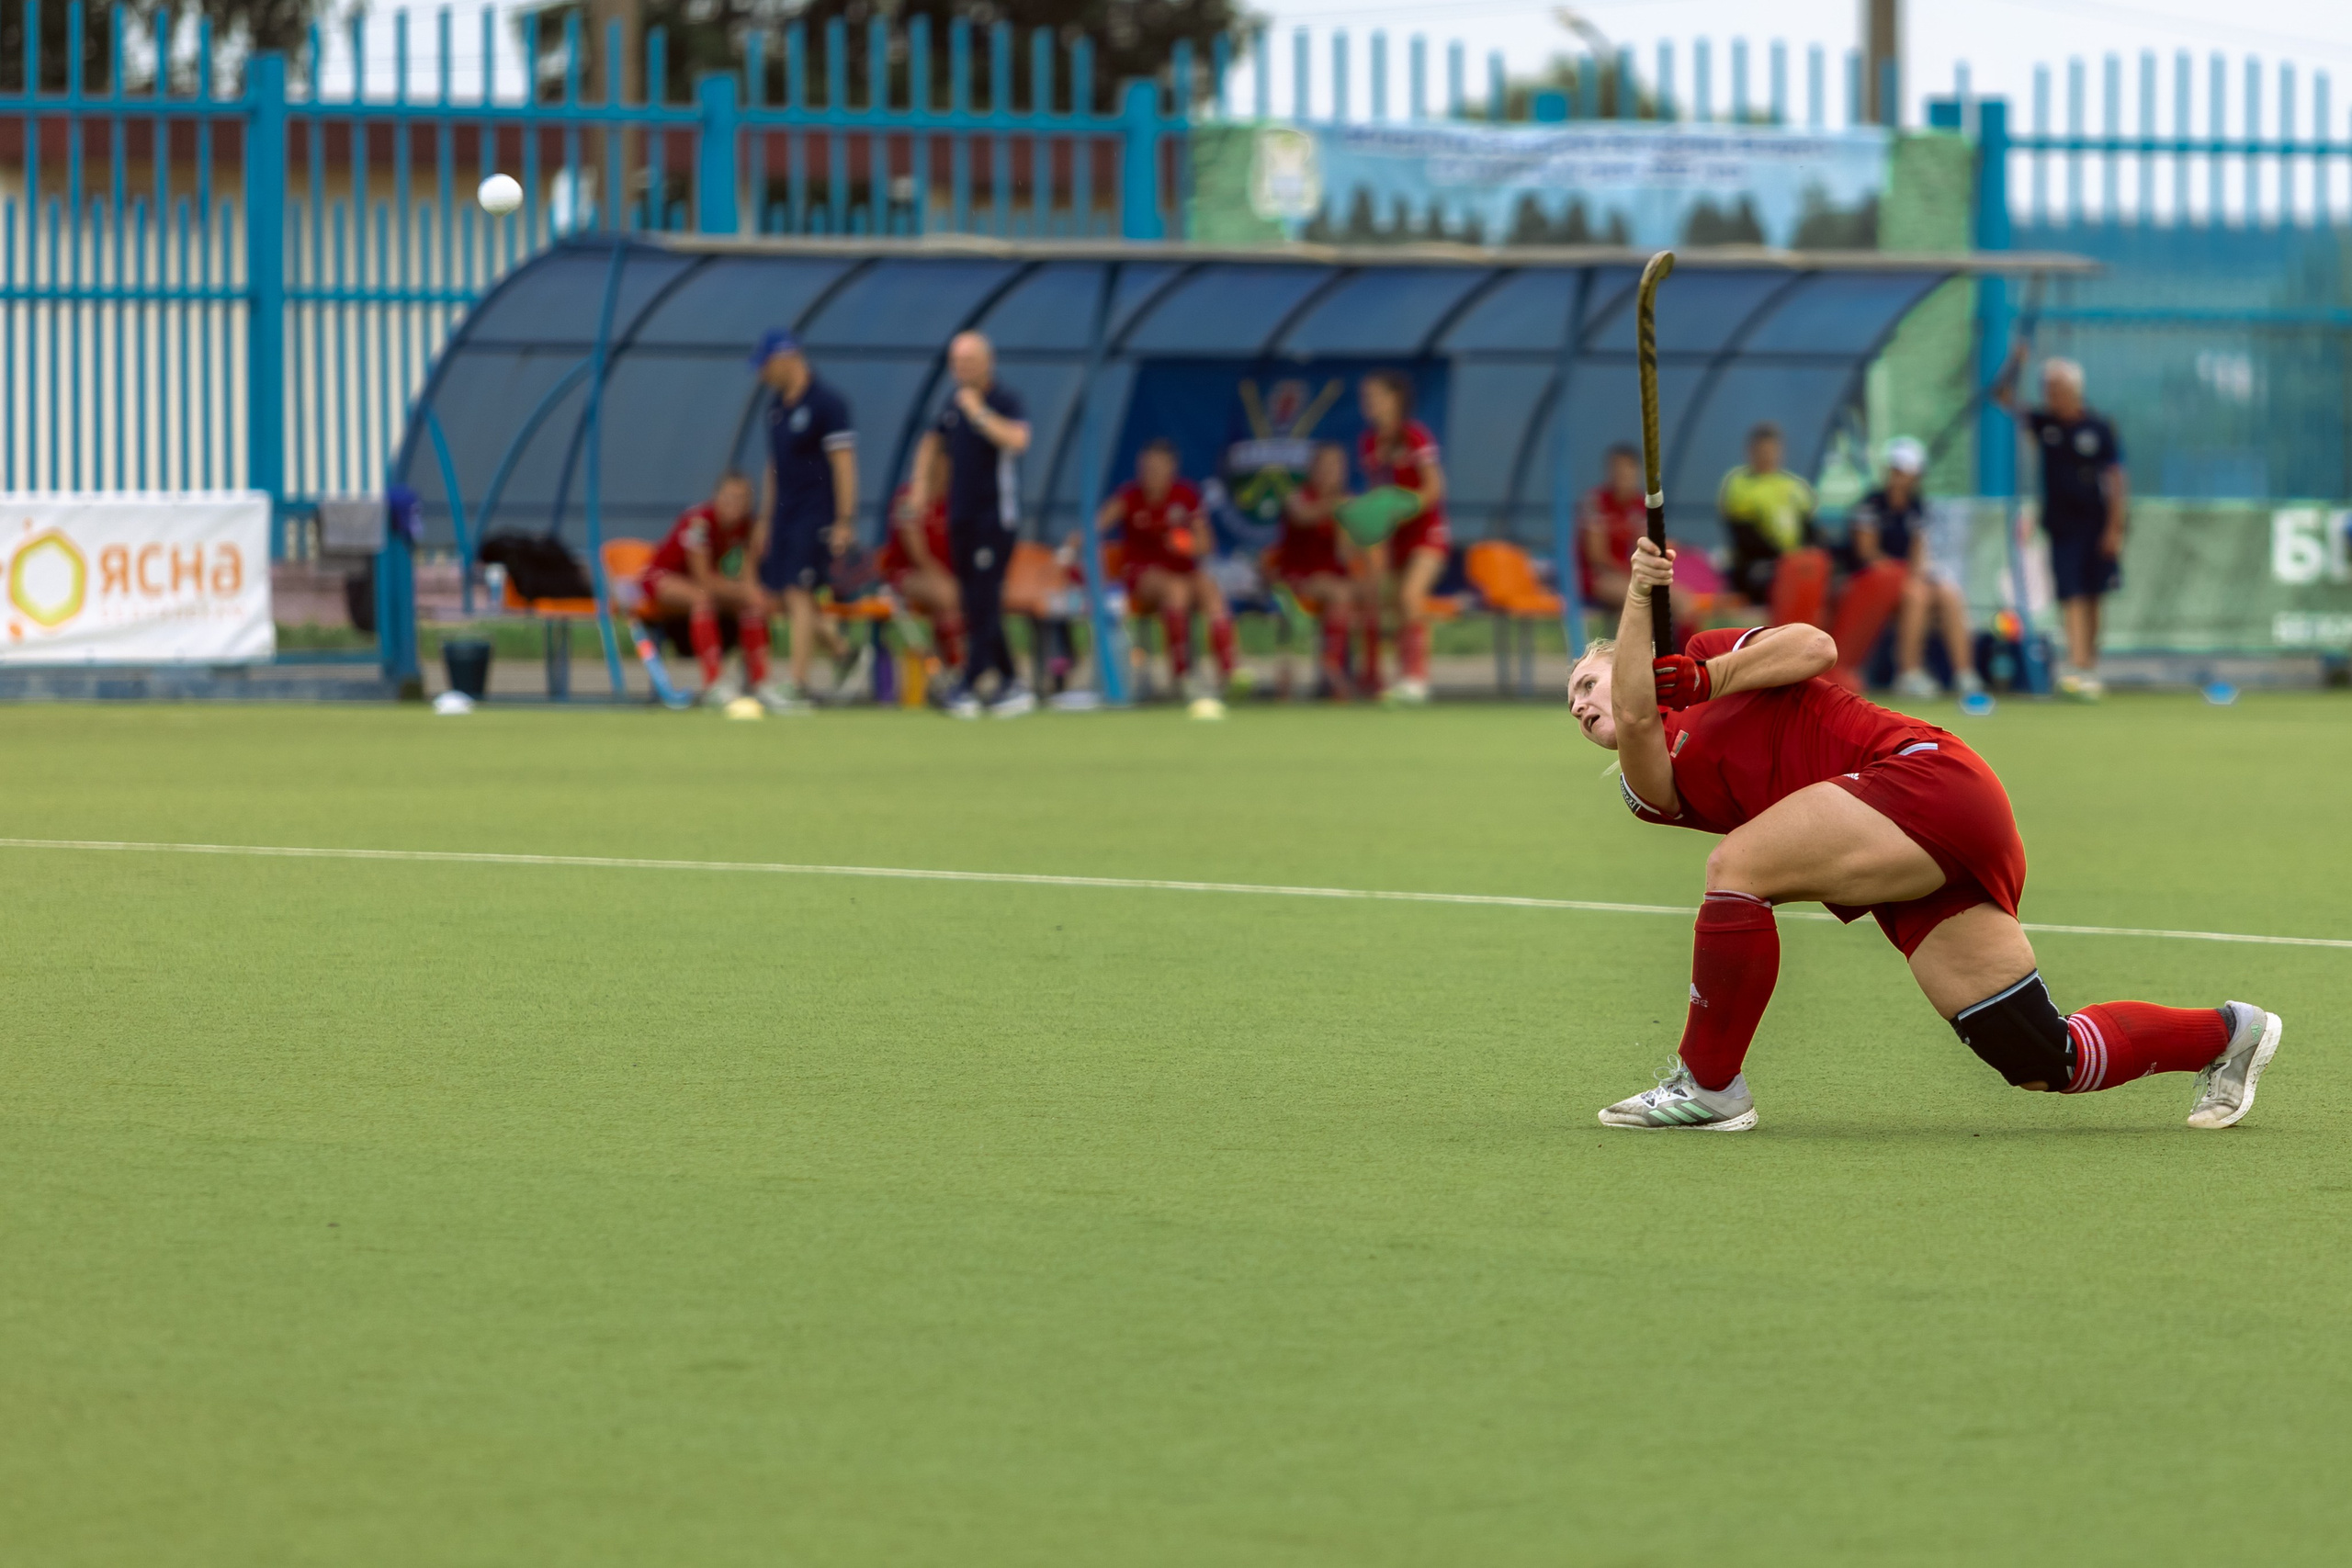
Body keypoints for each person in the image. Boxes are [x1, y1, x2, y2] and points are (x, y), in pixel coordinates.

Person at [1562, 536, 2283, 1133]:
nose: (1580, 706)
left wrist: (1706, 674)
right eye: (1572, 708)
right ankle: (2230, 1032)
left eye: (1586, 684)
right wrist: (1637, 593)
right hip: (1895, 850)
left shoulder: (1709, 653)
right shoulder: (1643, 779)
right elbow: (1636, 719)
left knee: (1737, 863)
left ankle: (1710, 1084)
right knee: (2039, 1055)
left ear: (1613, 656)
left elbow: (1814, 645)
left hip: (1923, 777)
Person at [908, 331, 1033, 718]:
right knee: (972, 599)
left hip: (994, 517)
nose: (962, 370)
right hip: (959, 515)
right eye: (957, 363)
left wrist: (978, 413)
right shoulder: (951, 403)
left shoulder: (1002, 400)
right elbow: (932, 442)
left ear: (987, 361)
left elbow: (1018, 439)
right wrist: (920, 487)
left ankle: (971, 681)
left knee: (984, 596)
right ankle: (1011, 683)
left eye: (969, 362)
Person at [1995, 354, 2127, 700]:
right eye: (2046, 388)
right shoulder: (2044, 424)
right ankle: (2078, 666)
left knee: (2095, 595)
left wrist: (2115, 527)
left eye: (2057, 387)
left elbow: (2116, 478)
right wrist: (2016, 363)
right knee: (2071, 594)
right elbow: (2003, 397)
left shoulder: (2098, 428)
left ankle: (2090, 665)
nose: (2050, 394)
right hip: (2061, 525)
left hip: (2097, 524)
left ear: (2074, 389)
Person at [752, 328, 857, 710]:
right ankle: (842, 649)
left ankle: (797, 685)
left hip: (816, 513)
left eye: (764, 366)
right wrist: (764, 519)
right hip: (784, 513)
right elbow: (773, 466)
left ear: (785, 359)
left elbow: (844, 464)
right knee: (781, 595)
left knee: (799, 592)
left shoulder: (828, 403)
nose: (761, 375)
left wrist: (844, 520)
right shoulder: (776, 407)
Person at [1094, 440, 1235, 695]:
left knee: (1209, 589)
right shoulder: (1129, 496)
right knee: (1176, 590)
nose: (1151, 474)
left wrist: (1186, 544)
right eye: (1146, 468)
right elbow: (1094, 525)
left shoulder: (1186, 495)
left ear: (1172, 468)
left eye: (1158, 468)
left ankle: (1229, 676)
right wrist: (1075, 542)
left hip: (1183, 571)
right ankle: (1181, 678)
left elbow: (1206, 543)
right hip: (1143, 575)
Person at [1857, 436, 1984, 703]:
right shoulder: (1872, 504)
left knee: (1948, 592)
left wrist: (1920, 576)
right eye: (1897, 470)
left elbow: (1919, 554)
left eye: (1907, 472)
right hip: (1872, 584)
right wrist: (1907, 576)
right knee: (1917, 595)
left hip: (1905, 579)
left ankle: (1965, 674)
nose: (1901, 477)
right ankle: (1908, 673)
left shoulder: (1918, 507)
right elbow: (1868, 554)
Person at [639, 471, 771, 705]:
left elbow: (749, 580)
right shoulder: (698, 523)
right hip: (663, 578)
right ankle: (714, 685)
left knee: (751, 607)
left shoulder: (748, 526)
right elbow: (704, 581)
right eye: (730, 497)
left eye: (743, 499)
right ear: (717, 497)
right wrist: (746, 593)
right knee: (704, 600)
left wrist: (752, 595)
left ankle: (761, 683)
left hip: (700, 584)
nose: (736, 505)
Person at [1357, 370, 1449, 705]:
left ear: (1395, 399)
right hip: (1395, 538)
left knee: (1411, 596)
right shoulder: (1369, 443)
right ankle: (1396, 678)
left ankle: (1417, 679)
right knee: (1392, 605)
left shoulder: (1415, 437)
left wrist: (1404, 505)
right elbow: (1375, 496)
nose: (1369, 403)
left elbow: (1434, 488)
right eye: (1366, 397)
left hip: (1427, 533)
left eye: (1375, 396)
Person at [1270, 443, 1371, 696]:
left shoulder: (1345, 504)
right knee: (1339, 591)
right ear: (1312, 469)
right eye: (1325, 466)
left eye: (1337, 467)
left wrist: (1358, 528)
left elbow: (1346, 553)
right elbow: (1303, 516)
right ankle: (1332, 668)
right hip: (1296, 580)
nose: (1331, 472)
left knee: (1371, 593)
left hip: (1331, 580)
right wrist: (1338, 506)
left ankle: (1371, 676)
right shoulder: (1298, 497)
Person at [1716, 422, 1822, 615]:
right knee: (1778, 577)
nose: (1768, 456)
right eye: (1762, 450)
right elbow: (1744, 536)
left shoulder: (1794, 485)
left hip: (1796, 563)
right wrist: (1784, 559)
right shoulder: (1738, 484)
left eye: (1773, 450)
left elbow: (1810, 528)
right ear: (1751, 452)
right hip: (1758, 564)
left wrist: (1808, 552)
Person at [877, 443, 965, 674]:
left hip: (946, 578)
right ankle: (957, 670)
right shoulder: (907, 500)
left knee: (956, 602)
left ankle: (952, 672)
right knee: (948, 594)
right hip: (907, 576)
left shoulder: (956, 502)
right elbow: (918, 554)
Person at [1577, 444, 1650, 610]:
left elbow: (1647, 546)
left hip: (1630, 574)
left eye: (1627, 471)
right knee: (1643, 600)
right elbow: (1597, 557)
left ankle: (1680, 637)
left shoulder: (1641, 504)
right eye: (1617, 470)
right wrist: (1630, 571)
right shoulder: (1595, 502)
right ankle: (1638, 637)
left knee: (1682, 602)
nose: (1622, 476)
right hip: (1596, 577)